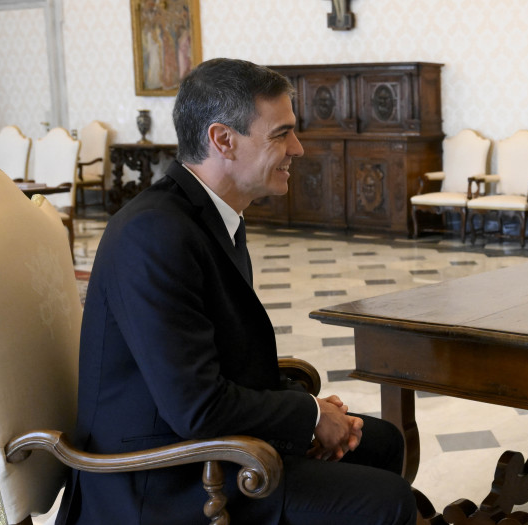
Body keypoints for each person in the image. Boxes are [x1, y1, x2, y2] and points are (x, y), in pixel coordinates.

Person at [58, 58, 416, 525]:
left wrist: (314, 412)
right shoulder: (153, 235)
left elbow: (224, 364)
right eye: (280, 134)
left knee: (383, 441)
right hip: (161, 481)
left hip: (201, 449)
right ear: (223, 140)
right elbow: (198, 407)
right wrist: (308, 415)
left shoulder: (207, 216)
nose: (299, 148)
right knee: (386, 501)